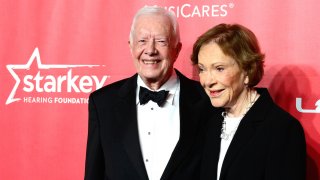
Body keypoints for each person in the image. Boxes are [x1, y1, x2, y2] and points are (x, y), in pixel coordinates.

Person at [84, 6, 212, 180]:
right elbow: (94, 173)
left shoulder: (208, 101)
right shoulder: (103, 103)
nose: (150, 50)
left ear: (177, 49)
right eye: (142, 41)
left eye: (161, 41)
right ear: (130, 47)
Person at [191, 23, 306, 180]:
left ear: (247, 70)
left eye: (219, 68)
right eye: (202, 69)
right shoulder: (209, 121)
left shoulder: (281, 129)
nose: (207, 81)